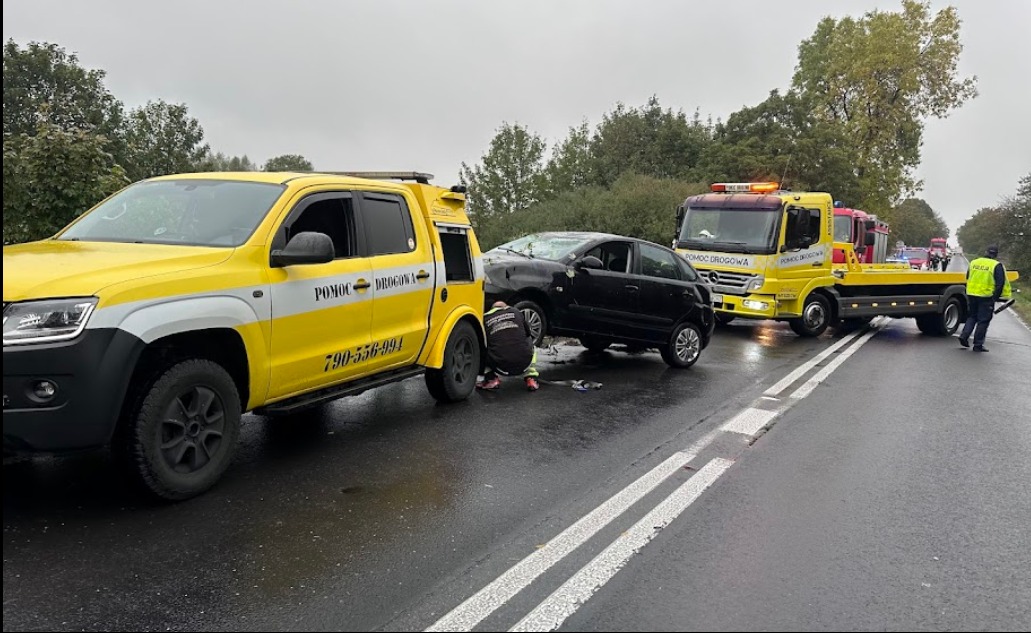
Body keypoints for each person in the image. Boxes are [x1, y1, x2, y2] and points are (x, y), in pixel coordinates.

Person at [958, 245, 1012, 352]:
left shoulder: (974, 262)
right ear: (995, 254)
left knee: (972, 316)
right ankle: (978, 345)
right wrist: (995, 298)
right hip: (986, 297)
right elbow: (1000, 284)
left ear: (986, 252)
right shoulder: (996, 265)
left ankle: (964, 336)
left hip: (971, 294)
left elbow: (968, 276)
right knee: (983, 320)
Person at [478, 301, 539, 391]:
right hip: (524, 363)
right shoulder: (516, 312)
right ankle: (531, 377)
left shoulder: (485, 318)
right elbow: (528, 333)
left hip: (499, 365)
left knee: (480, 348)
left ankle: (491, 379)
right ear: (506, 307)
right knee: (529, 342)